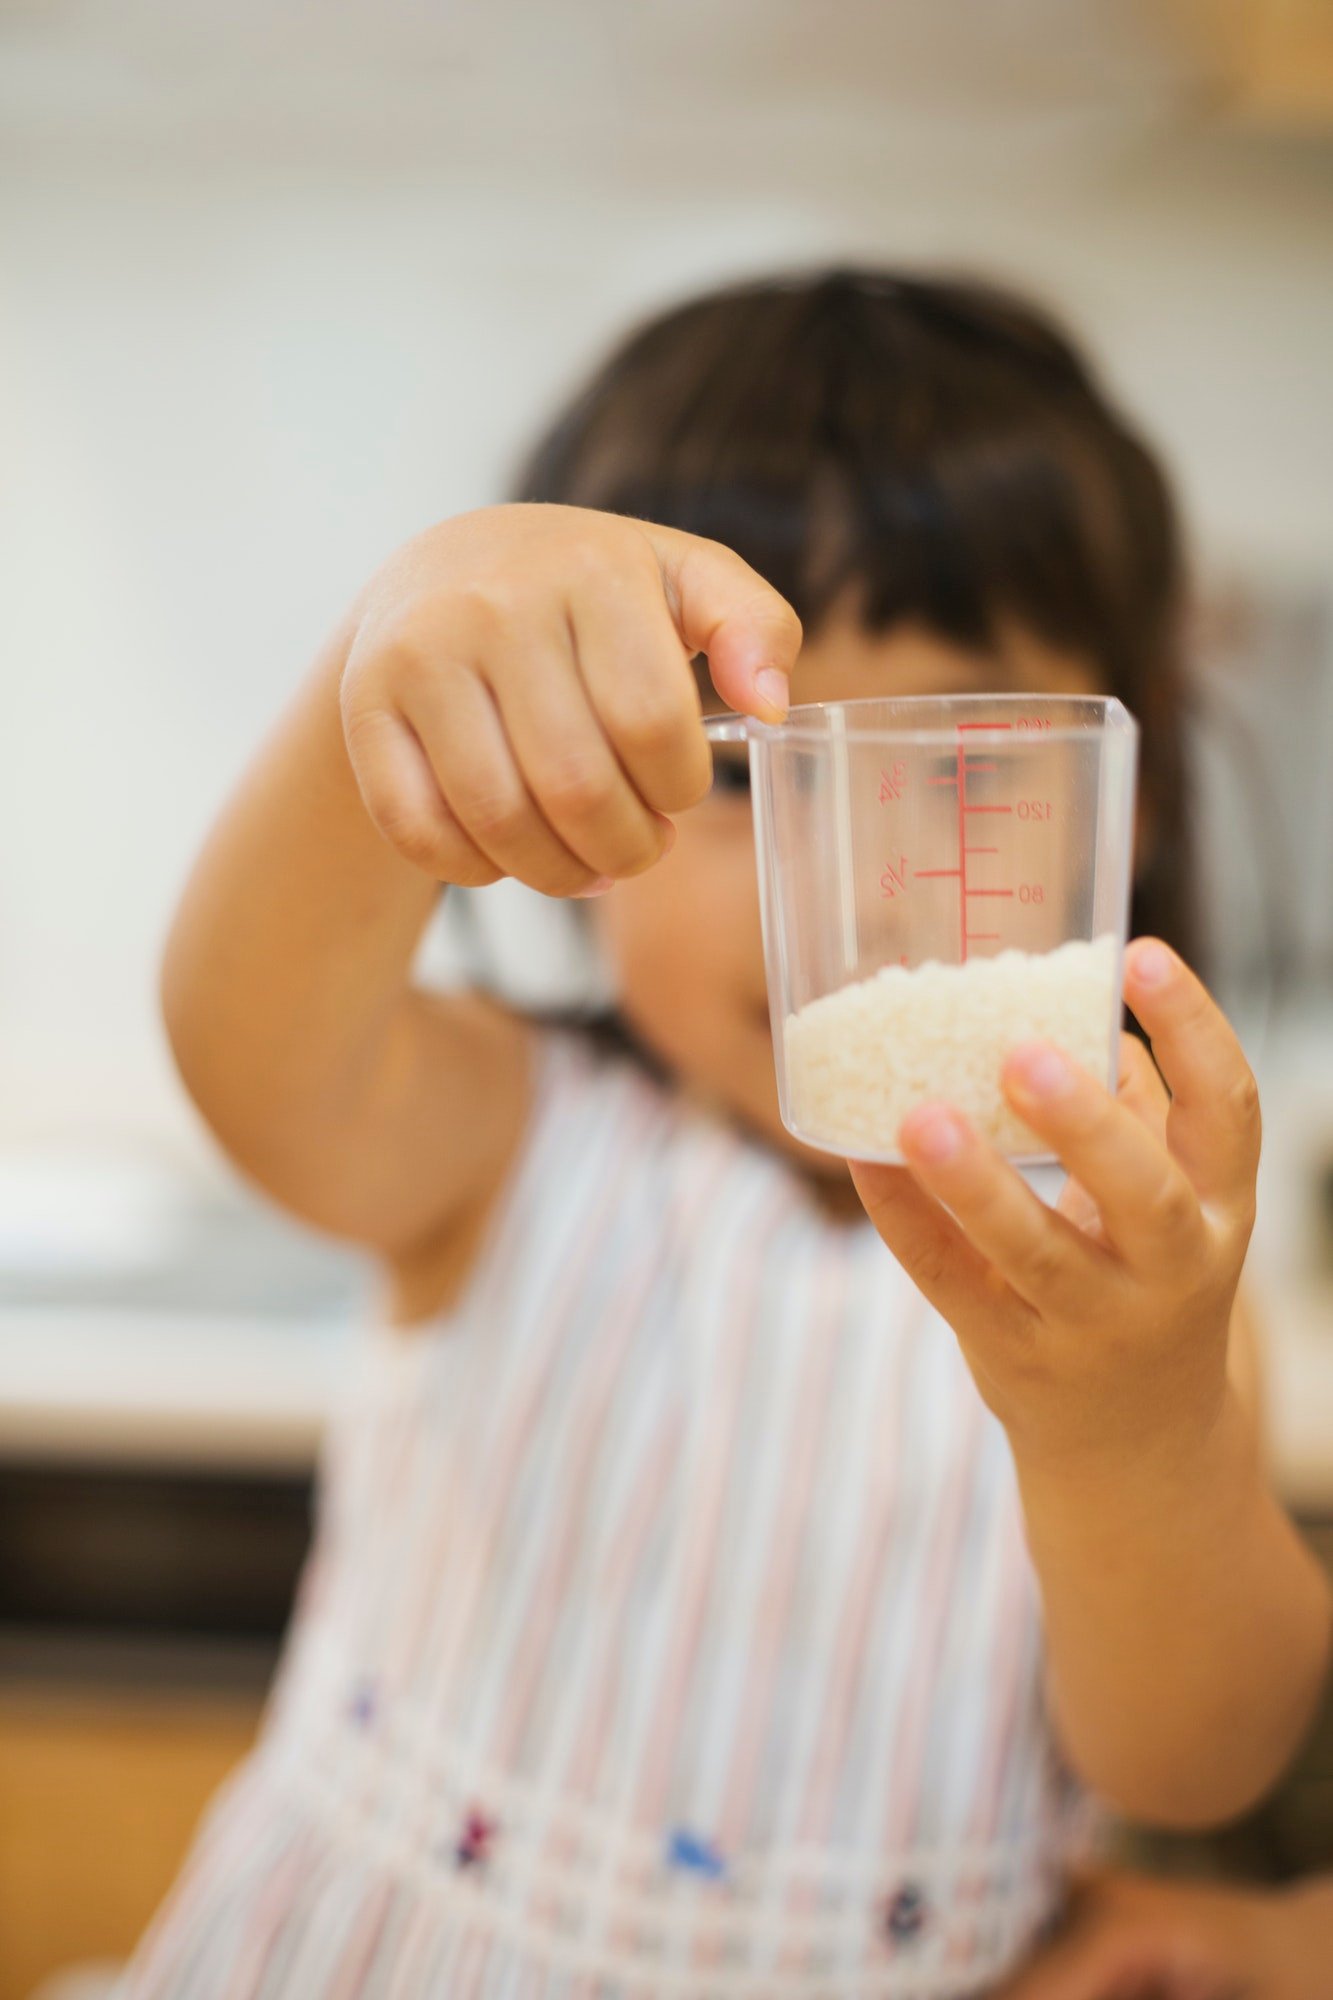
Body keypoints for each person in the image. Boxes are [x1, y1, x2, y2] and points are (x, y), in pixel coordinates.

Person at [123, 270, 1330, 1997]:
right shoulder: (512, 1137)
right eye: (746, 777)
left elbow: (1189, 1760)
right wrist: (381, 675)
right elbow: (244, 1049)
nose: (820, 891)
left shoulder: (1141, 1254)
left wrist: (1127, 1433)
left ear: (1111, 820)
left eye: (943, 769)